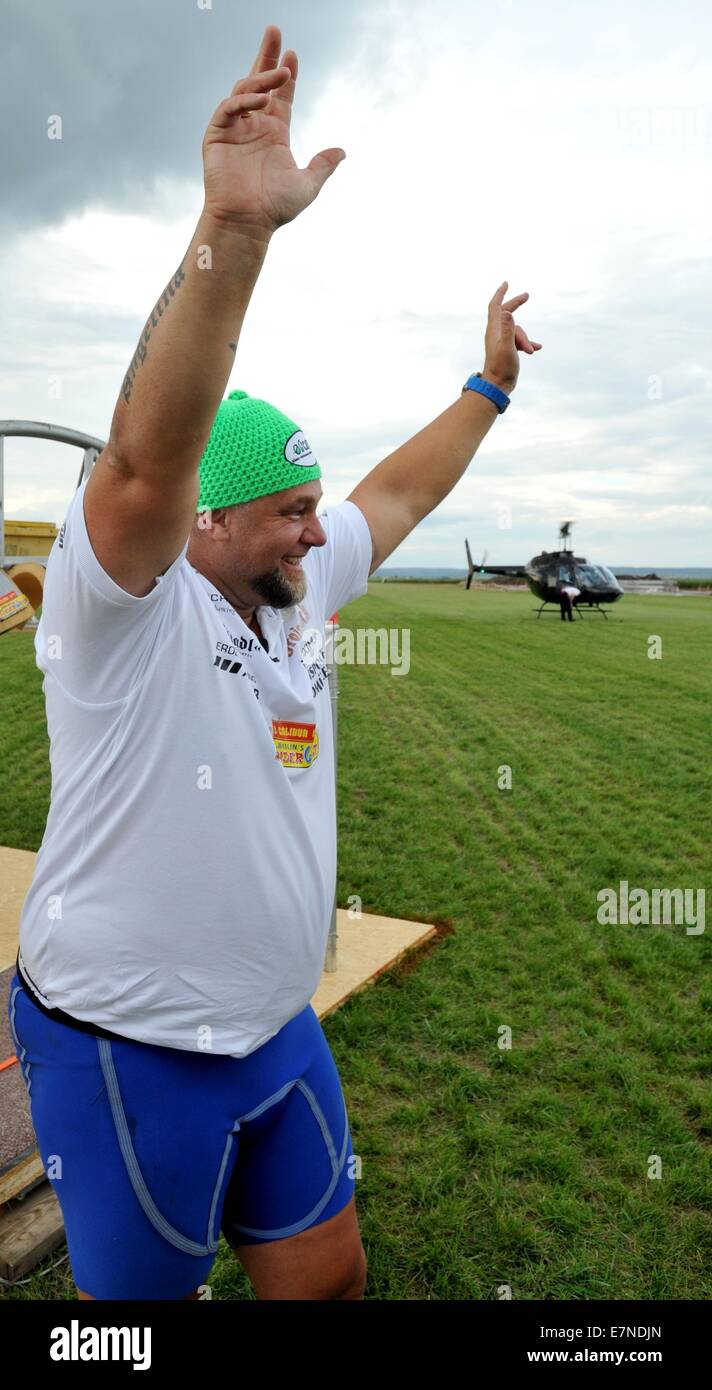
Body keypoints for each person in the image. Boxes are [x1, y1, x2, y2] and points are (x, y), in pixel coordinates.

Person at [8, 23, 541, 1302]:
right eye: (291, 508)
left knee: (331, 1283)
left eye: (314, 505)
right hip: (129, 1046)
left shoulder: (291, 590)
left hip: (276, 1029)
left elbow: (398, 496)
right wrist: (235, 229)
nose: (319, 527)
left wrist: (486, 387)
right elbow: (143, 462)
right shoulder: (121, 610)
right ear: (205, 520)